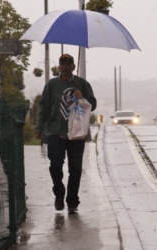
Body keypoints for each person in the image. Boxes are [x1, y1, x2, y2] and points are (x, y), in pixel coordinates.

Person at [35, 53, 97, 213]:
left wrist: (82, 98)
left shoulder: (82, 84)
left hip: (76, 132)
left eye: (68, 64)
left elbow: (93, 104)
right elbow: (44, 106)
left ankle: (72, 201)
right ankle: (59, 191)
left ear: (73, 67)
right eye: (62, 63)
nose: (65, 66)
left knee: (75, 168)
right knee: (55, 165)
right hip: (55, 131)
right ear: (59, 66)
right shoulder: (52, 85)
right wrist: (39, 127)